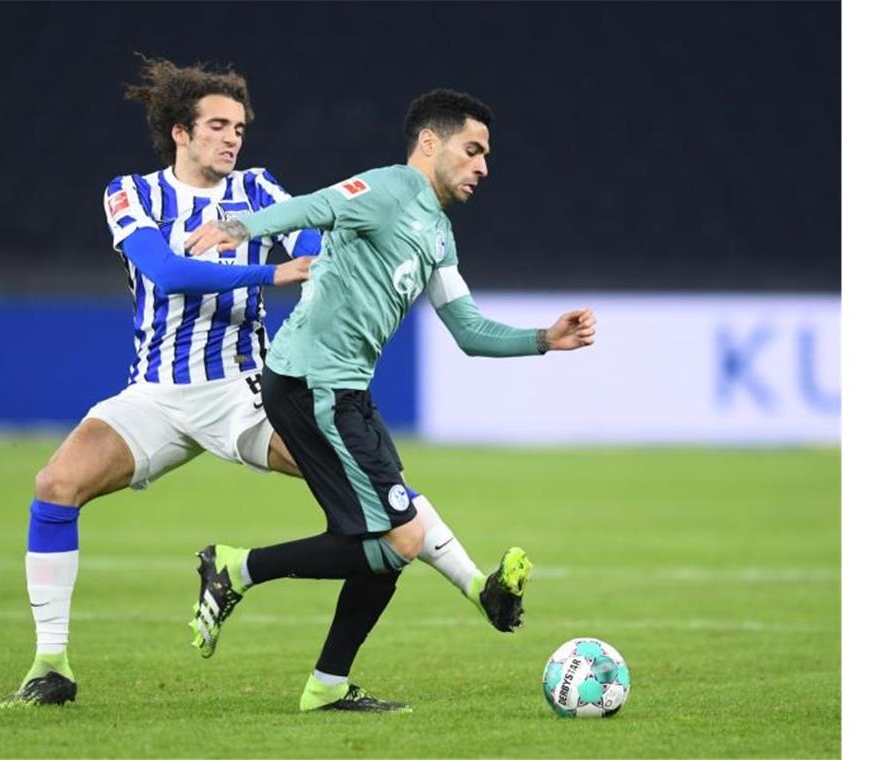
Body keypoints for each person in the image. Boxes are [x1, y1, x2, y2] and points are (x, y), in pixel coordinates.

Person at [1, 60, 532, 708]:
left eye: (240, 128)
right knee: (55, 486)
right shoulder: (131, 195)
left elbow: (318, 238)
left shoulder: (255, 190)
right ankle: (49, 664)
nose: (232, 139)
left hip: (245, 390)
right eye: (218, 126)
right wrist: (270, 276)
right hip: (155, 393)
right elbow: (167, 271)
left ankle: (473, 585)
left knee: (376, 496)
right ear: (179, 132)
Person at [184, 88, 597, 712]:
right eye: (473, 149)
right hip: (311, 384)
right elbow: (313, 208)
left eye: (486, 155)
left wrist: (544, 339)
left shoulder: (437, 234)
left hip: (348, 390)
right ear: (430, 143)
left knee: (393, 537)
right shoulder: (385, 190)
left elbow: (469, 332)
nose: (483, 166)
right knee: (397, 538)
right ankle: (238, 569)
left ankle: (326, 684)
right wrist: (232, 228)